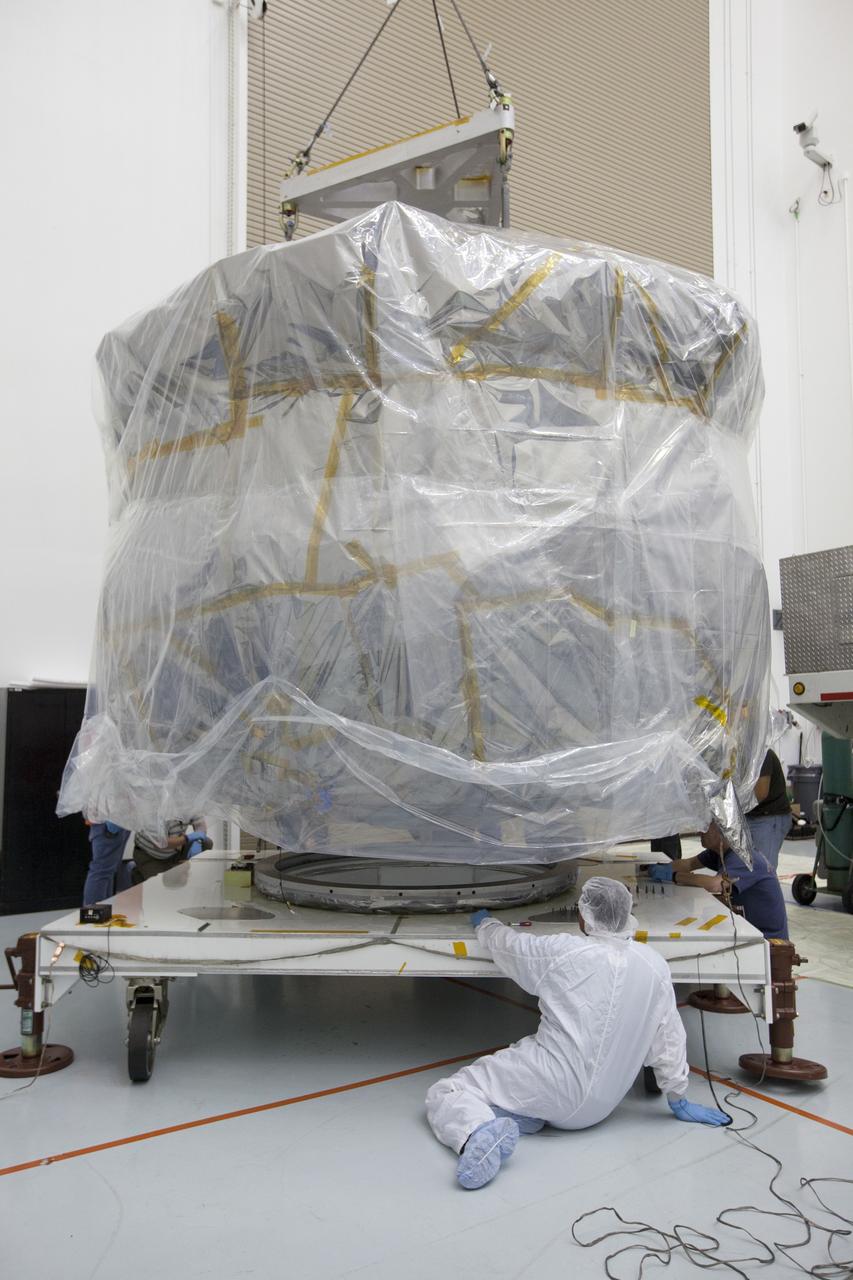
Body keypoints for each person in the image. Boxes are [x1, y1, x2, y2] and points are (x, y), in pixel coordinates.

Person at [424, 876, 729, 1191]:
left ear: (584, 915)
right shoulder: (654, 965)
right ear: (626, 916)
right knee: (533, 1095)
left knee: (448, 1091)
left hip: (551, 1082)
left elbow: (512, 947)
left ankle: (478, 1135)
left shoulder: (563, 951)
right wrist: (677, 1097)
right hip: (604, 1107)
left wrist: (485, 924)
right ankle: (523, 1117)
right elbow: (669, 1039)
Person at [649, 821, 789, 940]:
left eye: (705, 826)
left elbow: (716, 885)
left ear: (722, 830)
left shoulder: (742, 857)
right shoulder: (719, 852)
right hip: (748, 927)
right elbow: (688, 864)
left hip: (767, 938)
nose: (700, 831)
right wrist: (654, 869)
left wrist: (674, 876)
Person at [746, 748, 792, 871]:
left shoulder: (761, 753)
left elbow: (760, 793)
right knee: (748, 867)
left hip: (768, 817)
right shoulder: (735, 754)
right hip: (750, 815)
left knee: (763, 869)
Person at [131, 817, 211, 883]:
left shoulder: (189, 803)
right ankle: (138, 872)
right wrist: (187, 838)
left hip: (175, 850)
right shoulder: (156, 810)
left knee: (206, 843)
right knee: (159, 886)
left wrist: (198, 841)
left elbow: (200, 823)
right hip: (150, 856)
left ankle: (175, 867)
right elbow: (160, 844)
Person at [83, 821, 132, 905]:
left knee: (106, 872)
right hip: (112, 823)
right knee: (101, 871)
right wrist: (112, 827)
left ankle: (102, 913)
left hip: (115, 823)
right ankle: (95, 914)